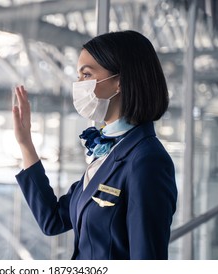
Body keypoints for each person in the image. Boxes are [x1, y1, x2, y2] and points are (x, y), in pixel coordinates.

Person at [12, 30, 178, 260]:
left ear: (119, 81)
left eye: (86, 75)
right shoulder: (110, 149)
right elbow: (54, 220)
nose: (78, 85)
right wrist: (26, 144)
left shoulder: (147, 159)